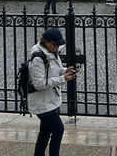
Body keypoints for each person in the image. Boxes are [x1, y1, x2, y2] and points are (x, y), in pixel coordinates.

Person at [28, 28, 78, 156]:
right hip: (41, 102)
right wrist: (63, 78)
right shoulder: (38, 58)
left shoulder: (52, 52)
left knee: (45, 131)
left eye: (58, 45)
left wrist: (65, 70)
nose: (57, 47)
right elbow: (39, 84)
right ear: (47, 42)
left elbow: (54, 70)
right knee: (58, 129)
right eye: (55, 45)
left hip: (49, 99)